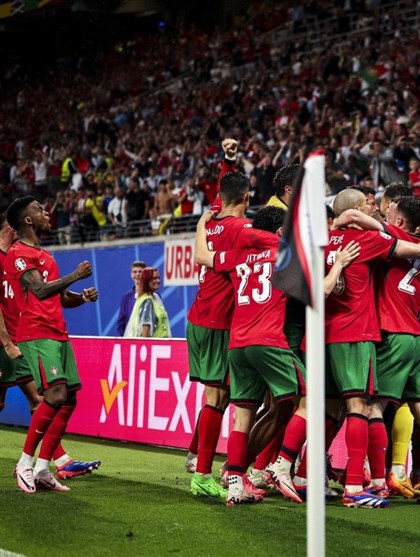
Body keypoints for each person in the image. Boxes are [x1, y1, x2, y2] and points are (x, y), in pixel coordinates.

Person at [325, 187, 420, 508]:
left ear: (397, 220)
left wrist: (335, 225)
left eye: (388, 211)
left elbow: (356, 217)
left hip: (392, 333)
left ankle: (377, 482)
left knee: (370, 408)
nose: (379, 213)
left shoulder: (388, 237)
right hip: (419, 337)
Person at [193, 206, 309, 506]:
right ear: (280, 231)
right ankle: (282, 465)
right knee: (311, 401)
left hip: (237, 345)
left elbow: (202, 256)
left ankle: (234, 484)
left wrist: (202, 224)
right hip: (269, 341)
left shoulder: (237, 256)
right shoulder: (285, 254)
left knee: (242, 416)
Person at [4, 196, 99, 493]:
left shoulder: (46, 255)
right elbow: (40, 290)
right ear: (27, 220)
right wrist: (75, 275)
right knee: (54, 395)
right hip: (36, 333)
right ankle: (24, 463)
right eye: (39, 210)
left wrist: (81, 297)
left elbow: (59, 297)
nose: (46, 213)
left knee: (69, 398)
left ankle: (44, 468)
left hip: (58, 332)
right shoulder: (18, 254)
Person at [184, 139, 249, 499]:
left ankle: (198, 459)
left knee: (217, 396)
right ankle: (202, 474)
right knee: (218, 397)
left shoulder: (211, 218)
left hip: (201, 317)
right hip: (218, 322)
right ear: (248, 199)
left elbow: (226, 187)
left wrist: (228, 160)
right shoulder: (242, 229)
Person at [125, 267, 170, 338]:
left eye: (158, 278)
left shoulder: (155, 298)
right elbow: (145, 332)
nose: (158, 281)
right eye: (154, 278)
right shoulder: (147, 301)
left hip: (162, 344)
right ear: (146, 281)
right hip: (155, 344)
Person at [117, 261, 146, 337]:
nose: (137, 274)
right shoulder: (126, 298)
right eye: (134, 272)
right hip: (130, 339)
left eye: (140, 272)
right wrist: (122, 339)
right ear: (131, 275)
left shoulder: (153, 296)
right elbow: (121, 322)